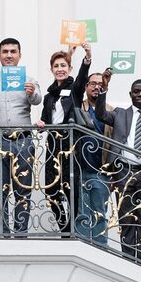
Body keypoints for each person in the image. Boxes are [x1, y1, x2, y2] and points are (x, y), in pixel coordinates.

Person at [95, 78, 141, 263]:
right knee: (126, 218)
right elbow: (100, 114)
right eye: (136, 91)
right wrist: (103, 90)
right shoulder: (120, 114)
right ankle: (128, 260)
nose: (140, 95)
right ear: (130, 94)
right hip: (124, 172)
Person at [36, 44, 91, 234]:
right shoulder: (48, 96)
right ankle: (64, 227)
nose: (60, 69)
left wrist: (87, 57)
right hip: (52, 145)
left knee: (71, 189)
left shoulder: (75, 89)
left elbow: (83, 78)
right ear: (52, 69)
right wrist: (41, 124)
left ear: (69, 69)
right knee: (51, 190)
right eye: (56, 66)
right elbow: (44, 118)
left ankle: (74, 229)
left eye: (63, 66)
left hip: (69, 145)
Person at [0, 37, 42, 236]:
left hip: (23, 141)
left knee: (23, 189)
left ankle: (21, 233)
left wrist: (31, 93)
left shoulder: (29, 79)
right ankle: (2, 233)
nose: (9, 55)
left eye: (13, 51)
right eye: (5, 51)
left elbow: (38, 100)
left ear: (19, 55)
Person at [70, 72, 111, 242]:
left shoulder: (111, 110)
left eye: (100, 84)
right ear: (86, 87)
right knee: (82, 212)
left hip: (100, 170)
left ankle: (101, 249)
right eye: (92, 83)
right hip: (80, 167)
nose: (96, 87)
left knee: (99, 212)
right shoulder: (78, 108)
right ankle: (82, 246)